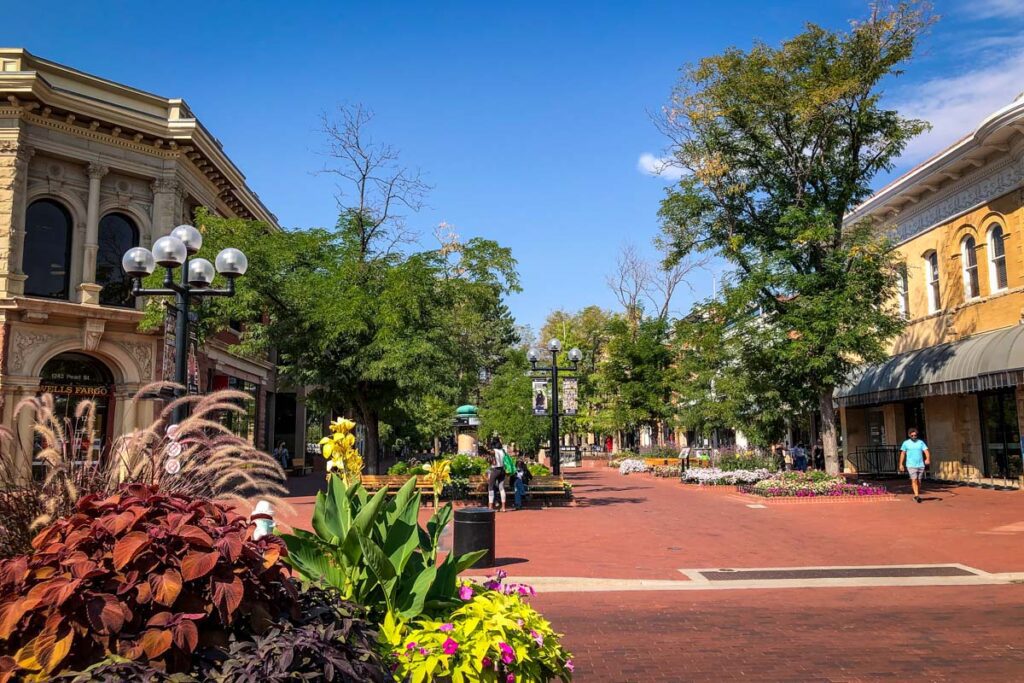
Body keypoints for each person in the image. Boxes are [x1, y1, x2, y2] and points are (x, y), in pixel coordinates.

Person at [899, 427, 931, 503]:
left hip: (920, 464)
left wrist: (927, 459)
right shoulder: (906, 443)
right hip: (911, 465)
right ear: (909, 435)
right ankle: (917, 496)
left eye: (915, 435)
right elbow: (903, 453)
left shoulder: (921, 442)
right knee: (914, 479)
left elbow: (926, 451)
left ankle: (916, 494)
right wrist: (901, 464)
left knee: (919, 481)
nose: (914, 437)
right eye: (912, 435)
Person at [487, 437, 508, 512]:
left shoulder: (493, 451)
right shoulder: (503, 451)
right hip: (502, 470)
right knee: (501, 488)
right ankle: (503, 507)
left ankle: (490, 506)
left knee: (491, 487)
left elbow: (491, 462)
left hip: (495, 470)